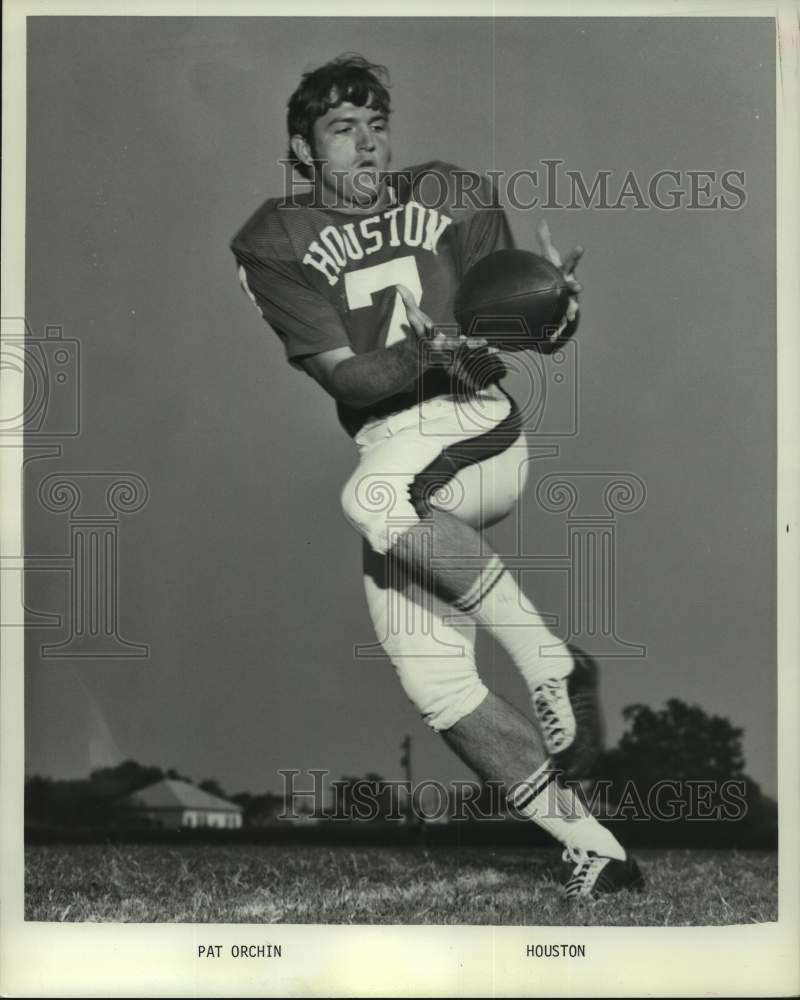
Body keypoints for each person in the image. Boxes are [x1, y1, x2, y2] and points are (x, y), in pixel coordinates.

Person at [231, 54, 644, 900]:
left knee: (375, 501)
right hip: (388, 437)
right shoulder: (273, 239)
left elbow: (506, 327)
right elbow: (347, 379)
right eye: (343, 131)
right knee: (435, 681)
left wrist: (548, 316)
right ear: (302, 149)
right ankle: (597, 851)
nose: (367, 146)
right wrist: (425, 345)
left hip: (470, 426)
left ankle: (551, 662)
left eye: (376, 127)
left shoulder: (450, 193)